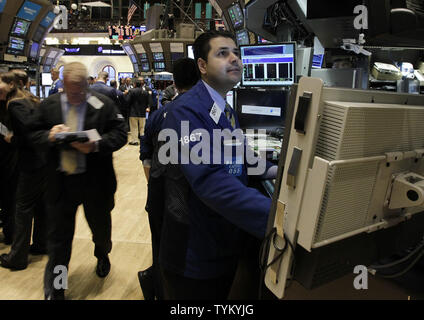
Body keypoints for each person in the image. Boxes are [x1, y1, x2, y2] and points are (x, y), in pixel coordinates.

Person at [158, 30, 275, 300]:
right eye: (223, 53)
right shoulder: (186, 111)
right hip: (194, 254)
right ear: (202, 66)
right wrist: (277, 214)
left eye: (236, 53)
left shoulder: (224, 109)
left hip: (221, 242)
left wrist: (282, 169)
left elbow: (244, 159)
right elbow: (210, 181)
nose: (234, 59)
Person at [29, 62, 127, 300]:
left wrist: (96, 145)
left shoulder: (102, 104)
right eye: (70, 90)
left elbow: (120, 133)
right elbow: (32, 133)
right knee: (59, 242)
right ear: (63, 84)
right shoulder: (49, 105)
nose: (75, 95)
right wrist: (49, 136)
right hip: (61, 184)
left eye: (79, 90)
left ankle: (102, 252)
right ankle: (57, 288)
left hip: (95, 182)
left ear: (87, 84)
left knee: (100, 230)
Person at [138, 58, 200, 300]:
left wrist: (152, 186)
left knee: (159, 246)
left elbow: (145, 157)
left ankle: (156, 287)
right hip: (187, 198)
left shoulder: (159, 114)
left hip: (158, 195)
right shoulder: (200, 114)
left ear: (174, 82)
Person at [0, 71, 48, 270]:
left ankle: (17, 257)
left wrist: (13, 138)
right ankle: (40, 244)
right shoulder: (30, 99)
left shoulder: (16, 104)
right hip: (42, 162)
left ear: (10, 85)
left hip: (30, 163)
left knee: (22, 208)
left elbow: (30, 134)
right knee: (40, 206)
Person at [125, 77, 152, 145]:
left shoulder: (131, 91)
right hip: (143, 112)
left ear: (134, 84)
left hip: (133, 112)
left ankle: (135, 141)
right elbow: (149, 102)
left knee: (134, 127)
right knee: (142, 128)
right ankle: (143, 141)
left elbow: (127, 101)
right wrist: (147, 107)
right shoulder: (146, 92)